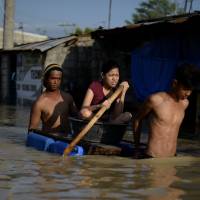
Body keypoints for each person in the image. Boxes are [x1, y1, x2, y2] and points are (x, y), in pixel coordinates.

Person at [133, 63, 200, 158]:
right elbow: (137, 119)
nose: (188, 93)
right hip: (152, 158)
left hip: (172, 158)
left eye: (190, 89)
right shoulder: (156, 100)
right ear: (175, 83)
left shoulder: (185, 104)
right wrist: (136, 148)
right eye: (185, 89)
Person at [28, 63, 78, 135]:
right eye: (53, 78)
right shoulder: (39, 103)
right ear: (46, 79)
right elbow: (31, 132)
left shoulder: (68, 98)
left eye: (58, 79)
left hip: (67, 138)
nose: (55, 82)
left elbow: (78, 118)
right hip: (51, 140)